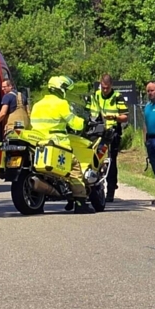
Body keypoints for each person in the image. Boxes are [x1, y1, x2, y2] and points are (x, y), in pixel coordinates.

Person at [29, 75, 94, 214]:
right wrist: (85, 123)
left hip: (39, 143)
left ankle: (43, 199)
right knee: (75, 168)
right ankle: (80, 203)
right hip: (57, 143)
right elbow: (73, 122)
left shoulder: (37, 104)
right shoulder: (61, 103)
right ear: (61, 89)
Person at [87, 74, 128, 202]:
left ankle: (111, 190)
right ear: (100, 84)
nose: (105, 90)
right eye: (103, 88)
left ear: (111, 86)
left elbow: (125, 116)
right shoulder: (95, 95)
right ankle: (92, 188)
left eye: (107, 88)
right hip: (96, 131)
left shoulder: (117, 97)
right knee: (93, 160)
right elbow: (89, 112)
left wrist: (114, 117)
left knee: (110, 161)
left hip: (111, 133)